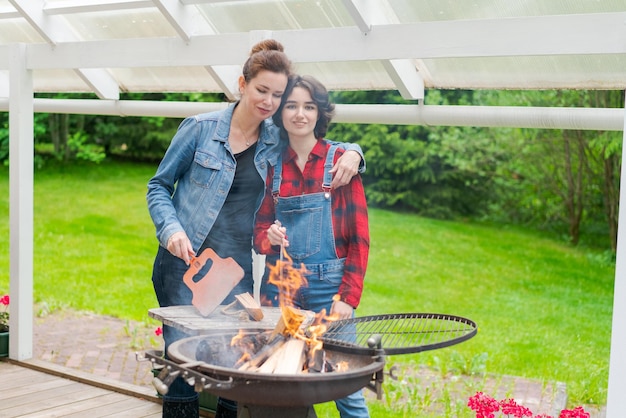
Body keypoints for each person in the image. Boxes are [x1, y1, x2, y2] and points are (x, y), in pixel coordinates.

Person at [146, 40, 365, 418]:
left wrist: (354, 152)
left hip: (236, 271)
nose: (269, 102)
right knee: (182, 365)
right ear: (242, 84)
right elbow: (158, 186)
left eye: (278, 95)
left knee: (236, 365)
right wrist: (172, 230)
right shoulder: (199, 130)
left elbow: (317, 137)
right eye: (262, 90)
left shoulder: (273, 137)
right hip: (184, 262)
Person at [253, 74, 370, 418]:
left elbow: (359, 240)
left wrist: (348, 299)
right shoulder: (273, 168)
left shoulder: (341, 163)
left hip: (327, 290)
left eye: (308, 106)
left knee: (345, 386)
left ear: (320, 113)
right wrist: (268, 236)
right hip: (281, 290)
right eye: (291, 106)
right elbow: (259, 232)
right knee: (284, 382)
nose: (299, 114)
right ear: (280, 113)